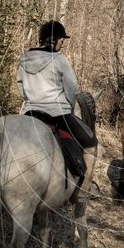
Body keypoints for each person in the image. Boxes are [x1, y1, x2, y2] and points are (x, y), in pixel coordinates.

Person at [16, 20, 97, 181]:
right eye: (61, 40)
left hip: (30, 113)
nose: (63, 44)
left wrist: (31, 100)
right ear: (53, 40)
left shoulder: (24, 59)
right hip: (58, 114)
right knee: (91, 145)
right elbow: (71, 90)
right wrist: (69, 107)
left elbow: (20, 86)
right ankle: (81, 195)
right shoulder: (60, 60)